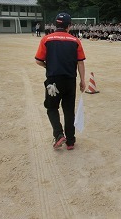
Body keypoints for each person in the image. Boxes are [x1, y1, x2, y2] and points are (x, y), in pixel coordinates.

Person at [35, 13, 86, 150]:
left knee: (52, 107)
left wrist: (48, 66)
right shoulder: (75, 41)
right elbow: (80, 63)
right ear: (69, 26)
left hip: (53, 81)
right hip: (70, 80)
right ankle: (70, 141)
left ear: (55, 25)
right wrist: (82, 80)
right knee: (69, 110)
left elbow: (38, 60)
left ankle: (58, 135)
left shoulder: (46, 39)